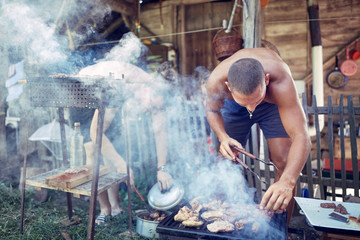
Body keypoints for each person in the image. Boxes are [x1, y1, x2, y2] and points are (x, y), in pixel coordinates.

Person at [206, 48, 311, 221]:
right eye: (245, 103)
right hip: (233, 108)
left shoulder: (281, 80)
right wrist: (223, 137)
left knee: (285, 162)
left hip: (271, 103)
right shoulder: (215, 81)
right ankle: (221, 222)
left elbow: (301, 136)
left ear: (267, 80)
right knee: (225, 160)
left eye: (254, 102)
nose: (251, 109)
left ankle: (281, 226)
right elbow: (211, 110)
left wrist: (288, 182)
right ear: (228, 87)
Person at [77, 60, 173, 225]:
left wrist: (162, 168)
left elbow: (160, 130)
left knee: (111, 144)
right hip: (83, 92)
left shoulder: (157, 95)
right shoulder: (119, 86)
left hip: (107, 99)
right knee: (94, 148)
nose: (150, 111)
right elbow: (96, 132)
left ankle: (115, 206)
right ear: (147, 89)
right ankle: (104, 208)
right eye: (151, 107)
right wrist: (122, 164)